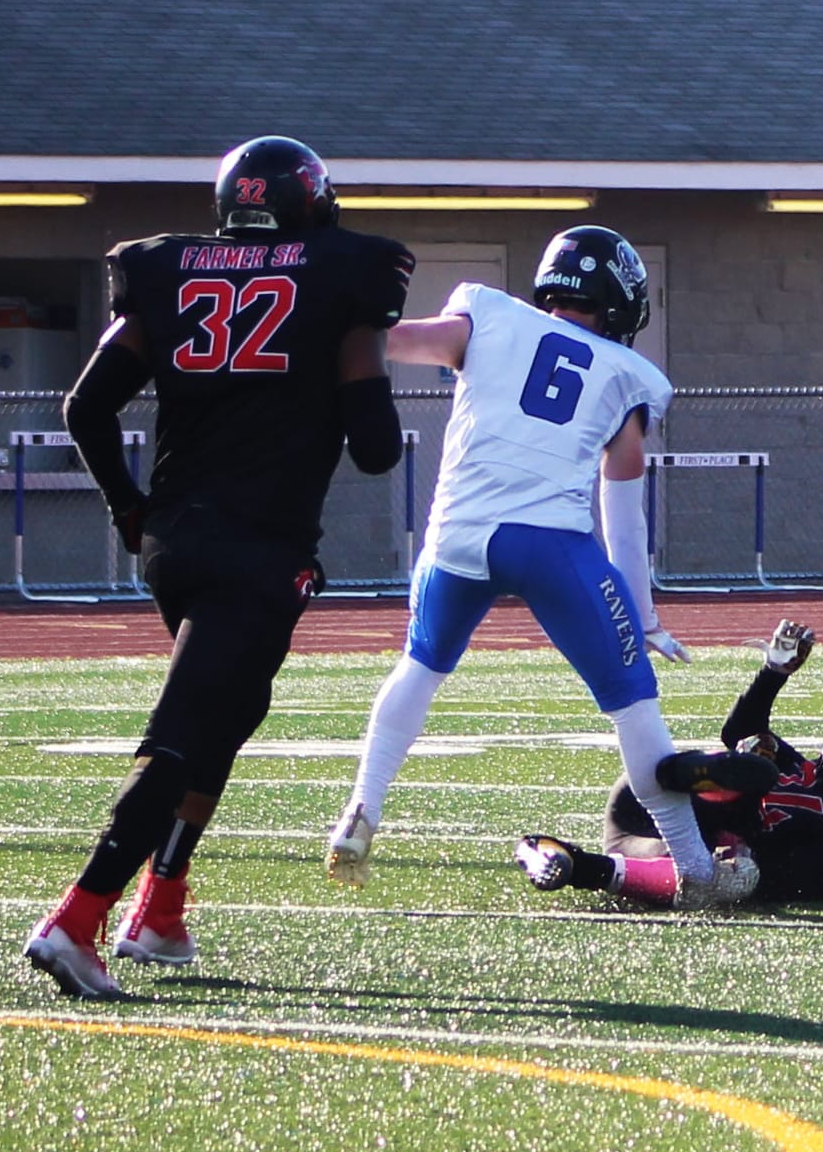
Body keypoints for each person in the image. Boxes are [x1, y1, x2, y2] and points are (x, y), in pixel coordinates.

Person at [24, 136, 413, 999]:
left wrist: (127, 506)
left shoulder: (167, 269)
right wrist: (356, 358)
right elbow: (378, 449)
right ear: (312, 204)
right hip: (259, 546)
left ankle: (160, 909)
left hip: (174, 541)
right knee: (182, 734)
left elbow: (86, 406)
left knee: (232, 711)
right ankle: (77, 920)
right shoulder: (345, 276)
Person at [321, 225, 756, 910]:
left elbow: (395, 341)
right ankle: (697, 868)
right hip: (549, 542)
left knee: (419, 666)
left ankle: (360, 810)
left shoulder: (488, 313)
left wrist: (332, 317)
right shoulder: (627, 373)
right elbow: (623, 510)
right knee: (632, 700)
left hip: (455, 536)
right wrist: (642, 616)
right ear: (621, 300)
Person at [515, 620, 823, 904]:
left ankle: (564, 860)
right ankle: (684, 776)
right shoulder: (814, 777)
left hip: (664, 845)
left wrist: (740, 845)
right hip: (655, 799)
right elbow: (740, 730)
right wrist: (772, 674)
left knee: (724, 877)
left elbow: (782, 880)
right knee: (755, 765)